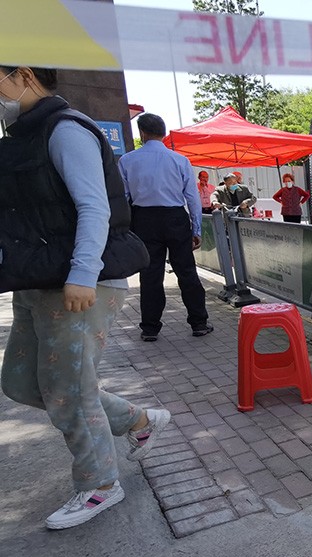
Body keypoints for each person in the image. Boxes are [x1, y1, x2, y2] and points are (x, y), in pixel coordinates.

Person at [0, 65, 172, 530]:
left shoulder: (66, 128)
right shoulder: (21, 134)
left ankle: (99, 483)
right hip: (37, 279)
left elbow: (93, 205)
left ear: (24, 75)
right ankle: (138, 420)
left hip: (80, 282)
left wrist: (81, 273)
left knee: (68, 390)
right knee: (21, 382)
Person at [118, 112, 213, 342]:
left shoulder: (127, 160)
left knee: (150, 275)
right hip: (175, 218)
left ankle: (150, 328)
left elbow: (123, 198)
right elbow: (192, 199)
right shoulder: (179, 160)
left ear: (142, 133)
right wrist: (196, 229)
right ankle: (199, 322)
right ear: (163, 133)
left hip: (144, 220)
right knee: (186, 271)